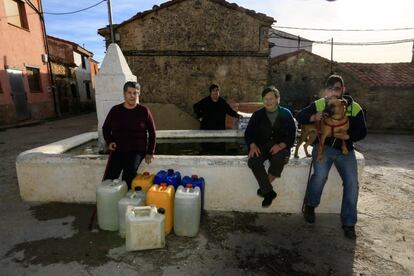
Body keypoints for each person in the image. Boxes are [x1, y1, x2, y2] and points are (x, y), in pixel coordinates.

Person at [296, 74, 367, 239]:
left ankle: (349, 223)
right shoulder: (321, 103)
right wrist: (313, 117)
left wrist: (347, 137)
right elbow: (300, 116)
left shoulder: (353, 107)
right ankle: (311, 206)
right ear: (326, 90)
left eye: (338, 88)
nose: (334, 92)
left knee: (352, 183)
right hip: (324, 148)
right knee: (320, 175)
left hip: (346, 150)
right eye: (331, 88)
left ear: (344, 89)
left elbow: (362, 131)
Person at [245, 86, 296, 207]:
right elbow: (248, 132)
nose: (268, 101)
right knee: (253, 160)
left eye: (271, 98)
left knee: (279, 159)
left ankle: (265, 189)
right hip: (261, 146)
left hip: (280, 147)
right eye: (266, 99)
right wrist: (252, 145)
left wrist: (280, 145)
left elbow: (292, 135)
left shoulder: (286, 113)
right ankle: (269, 192)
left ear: (277, 99)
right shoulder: (258, 114)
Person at [102, 81, 156, 189]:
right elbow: (106, 128)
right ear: (124, 94)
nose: (132, 96)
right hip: (118, 149)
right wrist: (110, 141)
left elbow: (152, 132)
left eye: (135, 93)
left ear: (138, 94)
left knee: (128, 176)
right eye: (129, 93)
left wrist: (150, 152)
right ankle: (110, 199)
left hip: (136, 151)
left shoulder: (144, 111)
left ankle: (127, 202)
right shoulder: (115, 110)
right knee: (109, 178)